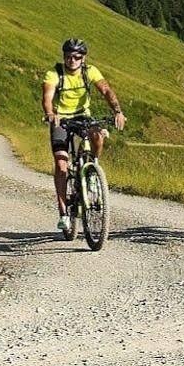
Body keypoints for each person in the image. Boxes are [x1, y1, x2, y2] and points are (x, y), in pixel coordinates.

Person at [42, 37, 125, 236]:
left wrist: (117, 111)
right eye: (69, 56)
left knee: (97, 136)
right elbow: (47, 97)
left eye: (77, 57)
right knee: (61, 163)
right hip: (60, 119)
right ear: (64, 57)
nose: (72, 60)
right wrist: (50, 114)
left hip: (83, 117)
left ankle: (92, 168)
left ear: (83, 58)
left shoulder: (90, 72)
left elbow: (105, 89)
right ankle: (63, 214)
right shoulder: (54, 73)